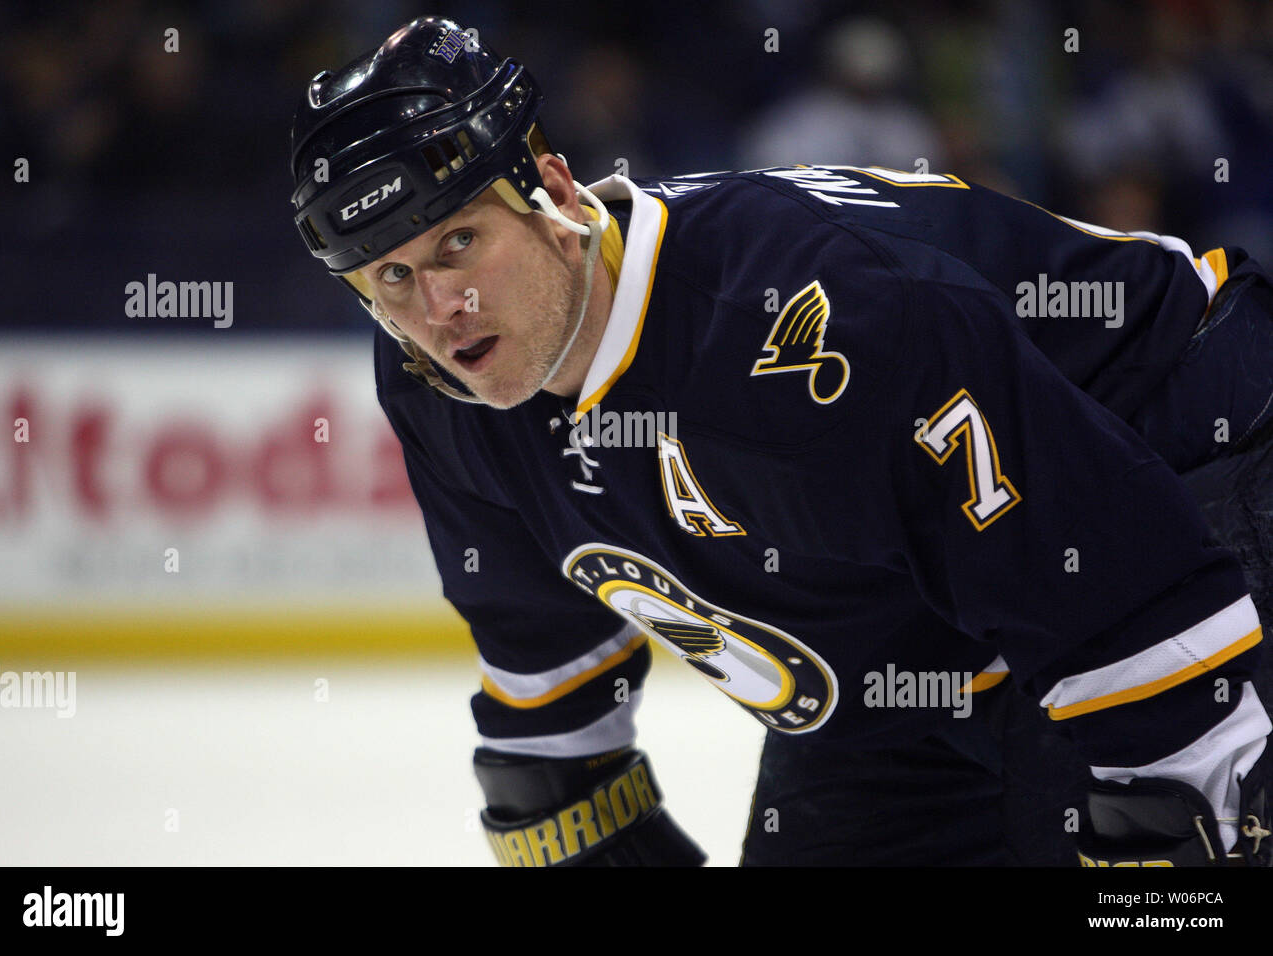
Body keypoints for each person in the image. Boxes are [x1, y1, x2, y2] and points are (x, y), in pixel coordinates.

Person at [289, 16, 1273, 866]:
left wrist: (1176, 820)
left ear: (554, 193)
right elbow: (545, 700)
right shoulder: (438, 386)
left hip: (1181, 447)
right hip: (916, 641)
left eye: (459, 242)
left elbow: (1130, 618)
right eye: (391, 279)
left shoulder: (810, 325)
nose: (440, 308)